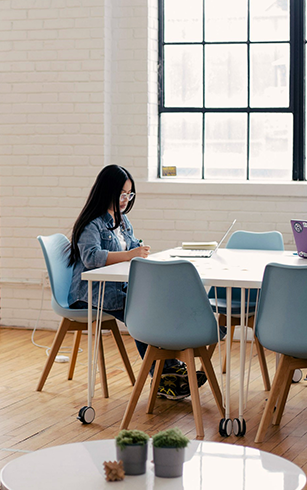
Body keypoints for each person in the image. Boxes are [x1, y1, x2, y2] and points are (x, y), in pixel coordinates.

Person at [67, 164, 204, 400]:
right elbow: (91, 258)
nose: (125, 199)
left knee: (155, 303)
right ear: (106, 190)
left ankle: (170, 370)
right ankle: (164, 376)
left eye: (129, 195)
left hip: (117, 288)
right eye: (121, 194)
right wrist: (131, 254)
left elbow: (130, 249)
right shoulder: (92, 224)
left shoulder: (123, 221)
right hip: (90, 294)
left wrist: (137, 251)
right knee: (143, 312)